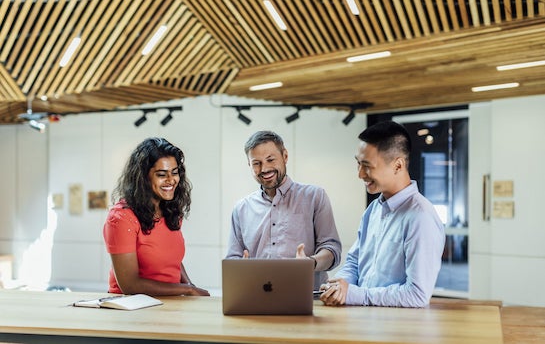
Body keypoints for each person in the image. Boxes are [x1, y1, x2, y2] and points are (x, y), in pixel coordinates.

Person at [320, 121, 445, 307]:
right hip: (365, 324)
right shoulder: (373, 210)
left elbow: (417, 295)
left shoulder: (421, 216)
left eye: (367, 165)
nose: (360, 174)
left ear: (398, 165)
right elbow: (355, 262)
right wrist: (340, 286)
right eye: (358, 164)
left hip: (397, 331)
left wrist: (356, 295)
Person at [225, 130, 342, 290]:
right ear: (249, 165)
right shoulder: (241, 208)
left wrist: (310, 263)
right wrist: (241, 269)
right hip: (256, 295)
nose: (264, 168)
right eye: (256, 163)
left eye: (270, 160)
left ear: (285, 156)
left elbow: (332, 250)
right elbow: (233, 259)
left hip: (306, 296)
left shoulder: (314, 196)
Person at [103, 137, 209, 296]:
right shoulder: (121, 218)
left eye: (175, 173)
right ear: (143, 177)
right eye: (161, 174)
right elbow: (130, 285)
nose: (171, 180)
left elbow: (172, 261)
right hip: (132, 309)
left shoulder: (170, 210)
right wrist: (187, 289)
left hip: (169, 303)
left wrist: (188, 284)